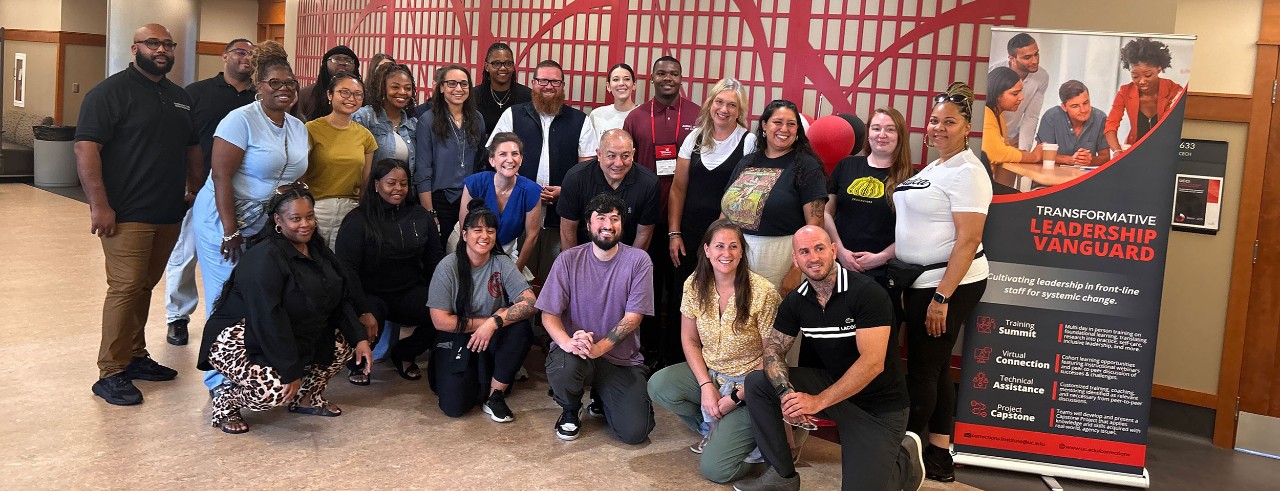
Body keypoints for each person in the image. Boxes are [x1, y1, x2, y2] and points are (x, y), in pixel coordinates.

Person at [735, 226, 924, 491]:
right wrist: (787, 395)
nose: (813, 257)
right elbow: (774, 349)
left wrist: (815, 401)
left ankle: (903, 460)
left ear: (833, 251)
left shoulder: (867, 293)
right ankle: (781, 477)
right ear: (795, 260)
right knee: (758, 382)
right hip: (834, 387)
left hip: (878, 407)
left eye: (820, 248)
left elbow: (872, 363)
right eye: (804, 251)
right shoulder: (796, 302)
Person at [74, 23, 201, 405]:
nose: (160, 49)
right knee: (125, 287)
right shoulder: (109, 93)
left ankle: (135, 356)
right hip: (125, 212)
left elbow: (193, 146)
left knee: (144, 286)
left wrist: (194, 188)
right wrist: (99, 204)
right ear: (135, 48)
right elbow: (86, 150)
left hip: (167, 211)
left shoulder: (178, 97)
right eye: (152, 43)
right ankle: (110, 371)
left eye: (167, 43)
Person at [196, 185, 375, 434]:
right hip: (241, 336)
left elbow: (337, 297)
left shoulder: (317, 250)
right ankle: (226, 401)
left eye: (310, 216)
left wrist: (359, 338)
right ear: (278, 221)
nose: (306, 224)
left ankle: (306, 399)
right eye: (296, 218)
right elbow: (268, 317)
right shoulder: (263, 257)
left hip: (286, 329)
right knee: (273, 390)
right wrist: (290, 369)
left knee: (343, 344)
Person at [192, 41, 312, 392]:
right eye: (274, 83)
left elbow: (297, 177)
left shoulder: (296, 126)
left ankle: (252, 366)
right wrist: (230, 230)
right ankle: (219, 385)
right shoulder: (240, 120)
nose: (283, 89)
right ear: (259, 85)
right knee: (226, 297)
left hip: (263, 223)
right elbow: (221, 176)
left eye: (289, 83)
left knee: (257, 294)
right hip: (223, 218)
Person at [893, 82, 991, 483]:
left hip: (948, 284)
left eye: (949, 122)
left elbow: (967, 240)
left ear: (967, 127)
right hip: (918, 282)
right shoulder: (935, 166)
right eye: (934, 120)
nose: (938, 128)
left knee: (923, 369)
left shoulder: (968, 171)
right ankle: (939, 453)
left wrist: (941, 297)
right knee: (931, 368)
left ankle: (913, 456)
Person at [648, 220, 781, 484]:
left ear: (742, 252)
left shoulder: (763, 292)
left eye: (734, 247)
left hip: (750, 382)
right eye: (719, 246)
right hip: (712, 372)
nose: (726, 253)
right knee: (659, 385)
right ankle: (713, 428)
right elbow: (689, 340)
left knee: (716, 471)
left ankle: (757, 438)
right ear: (707, 250)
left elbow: (772, 357)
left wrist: (734, 397)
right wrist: (706, 385)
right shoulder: (694, 284)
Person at [537, 193, 656, 443]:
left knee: (635, 433)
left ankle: (602, 397)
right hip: (576, 353)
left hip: (620, 358)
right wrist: (567, 343)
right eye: (601, 218)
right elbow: (549, 314)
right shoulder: (568, 259)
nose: (608, 225)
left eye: (615, 218)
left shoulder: (638, 261)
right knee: (564, 365)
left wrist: (598, 348)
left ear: (622, 224)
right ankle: (570, 409)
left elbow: (633, 318)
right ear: (589, 224)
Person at [163, 38, 256, 346]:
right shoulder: (197, 93)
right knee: (185, 255)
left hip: (243, 196)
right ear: (225, 56)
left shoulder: (260, 97)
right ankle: (177, 316)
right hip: (200, 190)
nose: (247, 58)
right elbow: (180, 142)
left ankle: (234, 319)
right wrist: (185, 185)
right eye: (241, 52)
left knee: (235, 261)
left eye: (252, 54)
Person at [667, 78, 754, 366]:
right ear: (710, 103)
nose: (724, 109)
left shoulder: (748, 142)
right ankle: (678, 361)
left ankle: (714, 362)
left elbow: (745, 193)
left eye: (732, 105)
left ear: (740, 110)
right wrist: (674, 233)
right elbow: (678, 189)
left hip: (724, 241)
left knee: (718, 298)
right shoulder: (694, 138)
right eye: (719, 102)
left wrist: (716, 235)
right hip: (689, 234)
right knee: (686, 295)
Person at [334, 159, 444, 384]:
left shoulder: (420, 216)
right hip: (370, 294)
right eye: (391, 183)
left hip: (408, 290)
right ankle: (356, 363)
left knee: (446, 311)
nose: (398, 189)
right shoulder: (357, 220)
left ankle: (404, 352)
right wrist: (362, 309)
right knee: (369, 320)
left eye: (403, 183)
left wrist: (446, 295)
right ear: (376, 184)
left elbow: (435, 259)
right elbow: (347, 269)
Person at [487, 59, 598, 280]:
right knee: (512, 276)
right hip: (516, 212)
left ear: (563, 85)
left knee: (555, 277)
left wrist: (564, 192)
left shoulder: (580, 121)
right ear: (533, 83)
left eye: (555, 82)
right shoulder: (513, 115)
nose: (548, 86)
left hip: (562, 218)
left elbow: (588, 170)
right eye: (542, 80)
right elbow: (496, 159)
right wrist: (527, 191)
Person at [427, 201, 539, 421]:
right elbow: (440, 321)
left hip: (493, 335)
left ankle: (495, 395)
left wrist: (493, 323)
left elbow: (530, 303)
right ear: (465, 234)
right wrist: (484, 324)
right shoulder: (448, 266)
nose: (484, 236)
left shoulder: (501, 262)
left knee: (522, 329)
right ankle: (478, 378)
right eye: (477, 230)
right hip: (458, 337)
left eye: (490, 230)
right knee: (454, 406)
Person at [721, 99, 827, 291]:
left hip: (780, 259)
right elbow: (724, 212)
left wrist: (797, 270)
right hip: (734, 257)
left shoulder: (806, 166)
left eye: (791, 124)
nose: (784, 129)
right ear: (764, 125)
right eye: (777, 122)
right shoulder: (747, 162)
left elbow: (816, 224)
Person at [823, 107, 914, 290]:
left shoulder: (911, 178)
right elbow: (825, 212)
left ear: (900, 136)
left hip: (884, 272)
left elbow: (915, 230)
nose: (882, 134)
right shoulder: (846, 165)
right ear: (868, 133)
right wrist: (839, 251)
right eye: (876, 128)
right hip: (839, 266)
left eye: (890, 129)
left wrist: (881, 257)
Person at [303, 73, 377, 249]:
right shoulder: (310, 129)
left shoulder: (365, 136)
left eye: (358, 94)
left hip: (350, 209)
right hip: (316, 208)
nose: (351, 98)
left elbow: (365, 182)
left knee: (342, 264)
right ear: (330, 95)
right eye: (344, 92)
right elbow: (301, 175)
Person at [558, 129, 660, 251]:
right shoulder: (576, 178)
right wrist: (574, 266)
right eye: (611, 156)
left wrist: (629, 267)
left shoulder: (649, 183)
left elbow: (643, 234)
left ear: (633, 154)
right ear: (599, 154)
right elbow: (567, 230)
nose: (618, 163)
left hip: (626, 255)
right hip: (583, 253)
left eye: (625, 156)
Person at [416, 65, 485, 242]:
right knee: (439, 255)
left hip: (470, 198)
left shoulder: (477, 119)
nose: (458, 89)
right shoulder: (428, 120)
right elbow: (423, 170)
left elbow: (479, 163)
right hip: (440, 200)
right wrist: (429, 212)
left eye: (464, 84)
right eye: (452, 83)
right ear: (441, 87)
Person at [459, 132, 543, 273]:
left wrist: (517, 271)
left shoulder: (531, 191)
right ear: (492, 161)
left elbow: (532, 236)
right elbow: (464, 227)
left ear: (521, 159)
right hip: (469, 242)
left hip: (506, 249)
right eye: (503, 154)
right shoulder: (474, 183)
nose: (510, 159)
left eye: (515, 154)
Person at [1104, 37, 1185, 153]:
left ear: (1159, 69)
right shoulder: (1125, 92)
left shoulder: (1174, 91)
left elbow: (1170, 130)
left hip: (1164, 152)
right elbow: (1110, 126)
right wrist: (1117, 151)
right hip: (1134, 151)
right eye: (1135, 76)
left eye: (1147, 75)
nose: (1141, 81)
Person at [354, 63, 418, 182]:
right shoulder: (364, 117)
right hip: (370, 193)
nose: (402, 92)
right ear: (383, 88)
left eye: (408, 88)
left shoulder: (413, 124)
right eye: (395, 87)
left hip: (401, 195)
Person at [987, 33, 1048, 151]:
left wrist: (1024, 151)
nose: (1035, 61)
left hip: (1013, 139)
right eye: (1027, 57)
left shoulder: (1042, 76)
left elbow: (1031, 116)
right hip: (990, 136)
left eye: (1036, 54)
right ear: (1011, 58)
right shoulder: (992, 73)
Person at [1036, 80, 1111, 166]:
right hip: (1051, 175)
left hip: (1083, 177)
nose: (1083, 110)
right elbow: (1040, 155)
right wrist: (1070, 160)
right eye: (1075, 106)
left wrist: (1089, 160)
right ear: (1064, 107)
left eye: (1086, 103)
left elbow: (1105, 158)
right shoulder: (1051, 117)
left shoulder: (1100, 118)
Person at [981, 66, 1042, 166]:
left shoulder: (998, 114)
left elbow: (1004, 147)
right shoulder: (986, 114)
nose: (1021, 98)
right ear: (997, 95)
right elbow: (997, 153)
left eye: (1021, 91)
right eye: (1015, 94)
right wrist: (1034, 157)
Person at [468, 42, 531, 137]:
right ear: (486, 66)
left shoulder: (527, 96)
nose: (503, 68)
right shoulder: (473, 96)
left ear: (513, 66)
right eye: (496, 63)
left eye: (508, 63)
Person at [295, 45, 360, 121]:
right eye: (336, 59)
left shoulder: (362, 95)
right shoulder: (306, 94)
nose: (342, 63)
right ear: (325, 64)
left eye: (348, 60)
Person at [589, 63, 638, 133]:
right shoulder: (596, 115)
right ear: (608, 86)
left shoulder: (643, 115)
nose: (621, 83)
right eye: (616, 79)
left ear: (634, 85)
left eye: (626, 79)